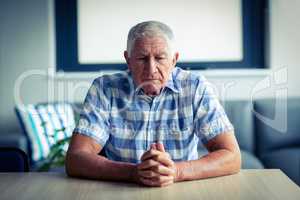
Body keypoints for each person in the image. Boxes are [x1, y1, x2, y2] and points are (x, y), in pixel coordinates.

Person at [66, 21, 241, 187]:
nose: (151, 69)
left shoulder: (195, 87)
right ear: (128, 59)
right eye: (142, 58)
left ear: (174, 60)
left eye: (160, 58)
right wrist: (133, 173)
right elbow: (76, 158)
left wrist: (176, 172)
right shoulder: (105, 89)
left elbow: (232, 156)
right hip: (120, 190)